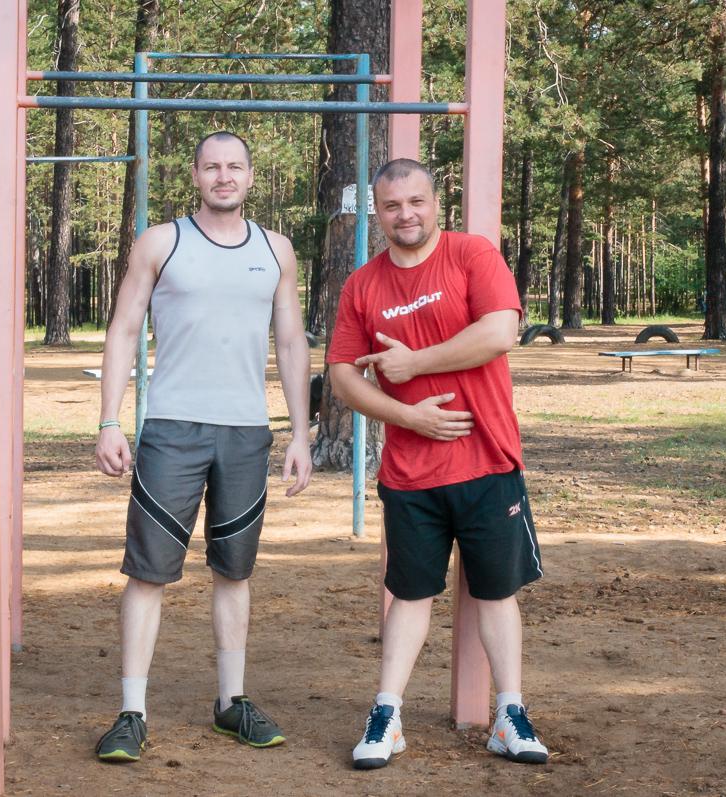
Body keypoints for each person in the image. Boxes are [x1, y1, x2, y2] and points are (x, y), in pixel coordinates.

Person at [92, 131, 312, 763]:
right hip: (173, 428)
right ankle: (132, 712)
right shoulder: (162, 242)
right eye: (212, 166)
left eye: (234, 166)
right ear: (195, 175)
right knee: (148, 571)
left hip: (245, 431)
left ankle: (231, 702)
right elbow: (124, 328)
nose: (224, 176)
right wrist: (109, 420)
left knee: (234, 570)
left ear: (250, 176)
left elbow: (291, 341)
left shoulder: (276, 250)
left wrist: (301, 433)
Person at [326, 158, 549, 769]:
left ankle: (509, 714)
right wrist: (408, 416)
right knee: (408, 593)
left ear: (435, 202)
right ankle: (386, 715)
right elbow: (343, 375)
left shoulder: (471, 255)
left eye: (416, 202)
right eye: (392, 206)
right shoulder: (363, 286)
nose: (406, 215)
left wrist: (415, 363)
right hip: (411, 474)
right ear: (378, 212)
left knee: (496, 593)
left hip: (488, 462)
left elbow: (500, 331)